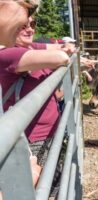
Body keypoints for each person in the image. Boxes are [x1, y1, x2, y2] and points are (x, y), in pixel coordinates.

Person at [0, 16, 72, 168]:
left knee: (55, 179)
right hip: (33, 139)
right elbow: (61, 56)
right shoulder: (7, 54)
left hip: (50, 130)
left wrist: (65, 46)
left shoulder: (30, 47)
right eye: (23, 25)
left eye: (32, 24)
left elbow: (59, 47)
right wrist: (65, 50)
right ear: (9, 26)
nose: (30, 29)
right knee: (43, 185)